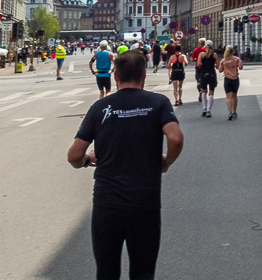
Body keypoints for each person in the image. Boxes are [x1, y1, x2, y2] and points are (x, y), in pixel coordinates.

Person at [67, 50, 183, 280]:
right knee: (143, 272)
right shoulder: (158, 103)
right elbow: (175, 138)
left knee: (107, 271)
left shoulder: (100, 108)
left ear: (116, 77)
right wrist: (166, 162)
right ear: (144, 75)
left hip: (107, 204)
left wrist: (85, 160)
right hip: (145, 203)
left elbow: (74, 155)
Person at [218, 47, 244, 121]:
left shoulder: (223, 60)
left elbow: (220, 70)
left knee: (228, 96)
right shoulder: (236, 59)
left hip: (227, 79)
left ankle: (230, 112)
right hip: (235, 79)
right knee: (234, 95)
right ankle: (234, 112)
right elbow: (241, 67)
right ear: (233, 51)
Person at [197, 41, 218, 118]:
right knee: (211, 92)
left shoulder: (201, 54)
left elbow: (198, 64)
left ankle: (204, 108)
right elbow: (218, 65)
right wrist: (214, 64)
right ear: (212, 46)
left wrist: (204, 64)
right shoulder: (214, 55)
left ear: (205, 46)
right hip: (212, 74)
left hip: (203, 74)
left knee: (203, 91)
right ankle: (209, 110)